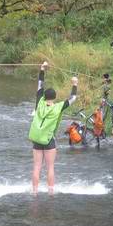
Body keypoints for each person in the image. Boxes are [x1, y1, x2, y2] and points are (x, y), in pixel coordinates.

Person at [29, 61, 78, 195]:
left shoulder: (39, 102)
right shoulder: (58, 107)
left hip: (36, 139)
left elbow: (40, 84)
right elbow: (73, 98)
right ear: (55, 98)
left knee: (37, 167)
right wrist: (74, 84)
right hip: (49, 140)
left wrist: (42, 69)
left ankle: (34, 192)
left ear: (44, 96)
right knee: (50, 167)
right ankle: (51, 192)